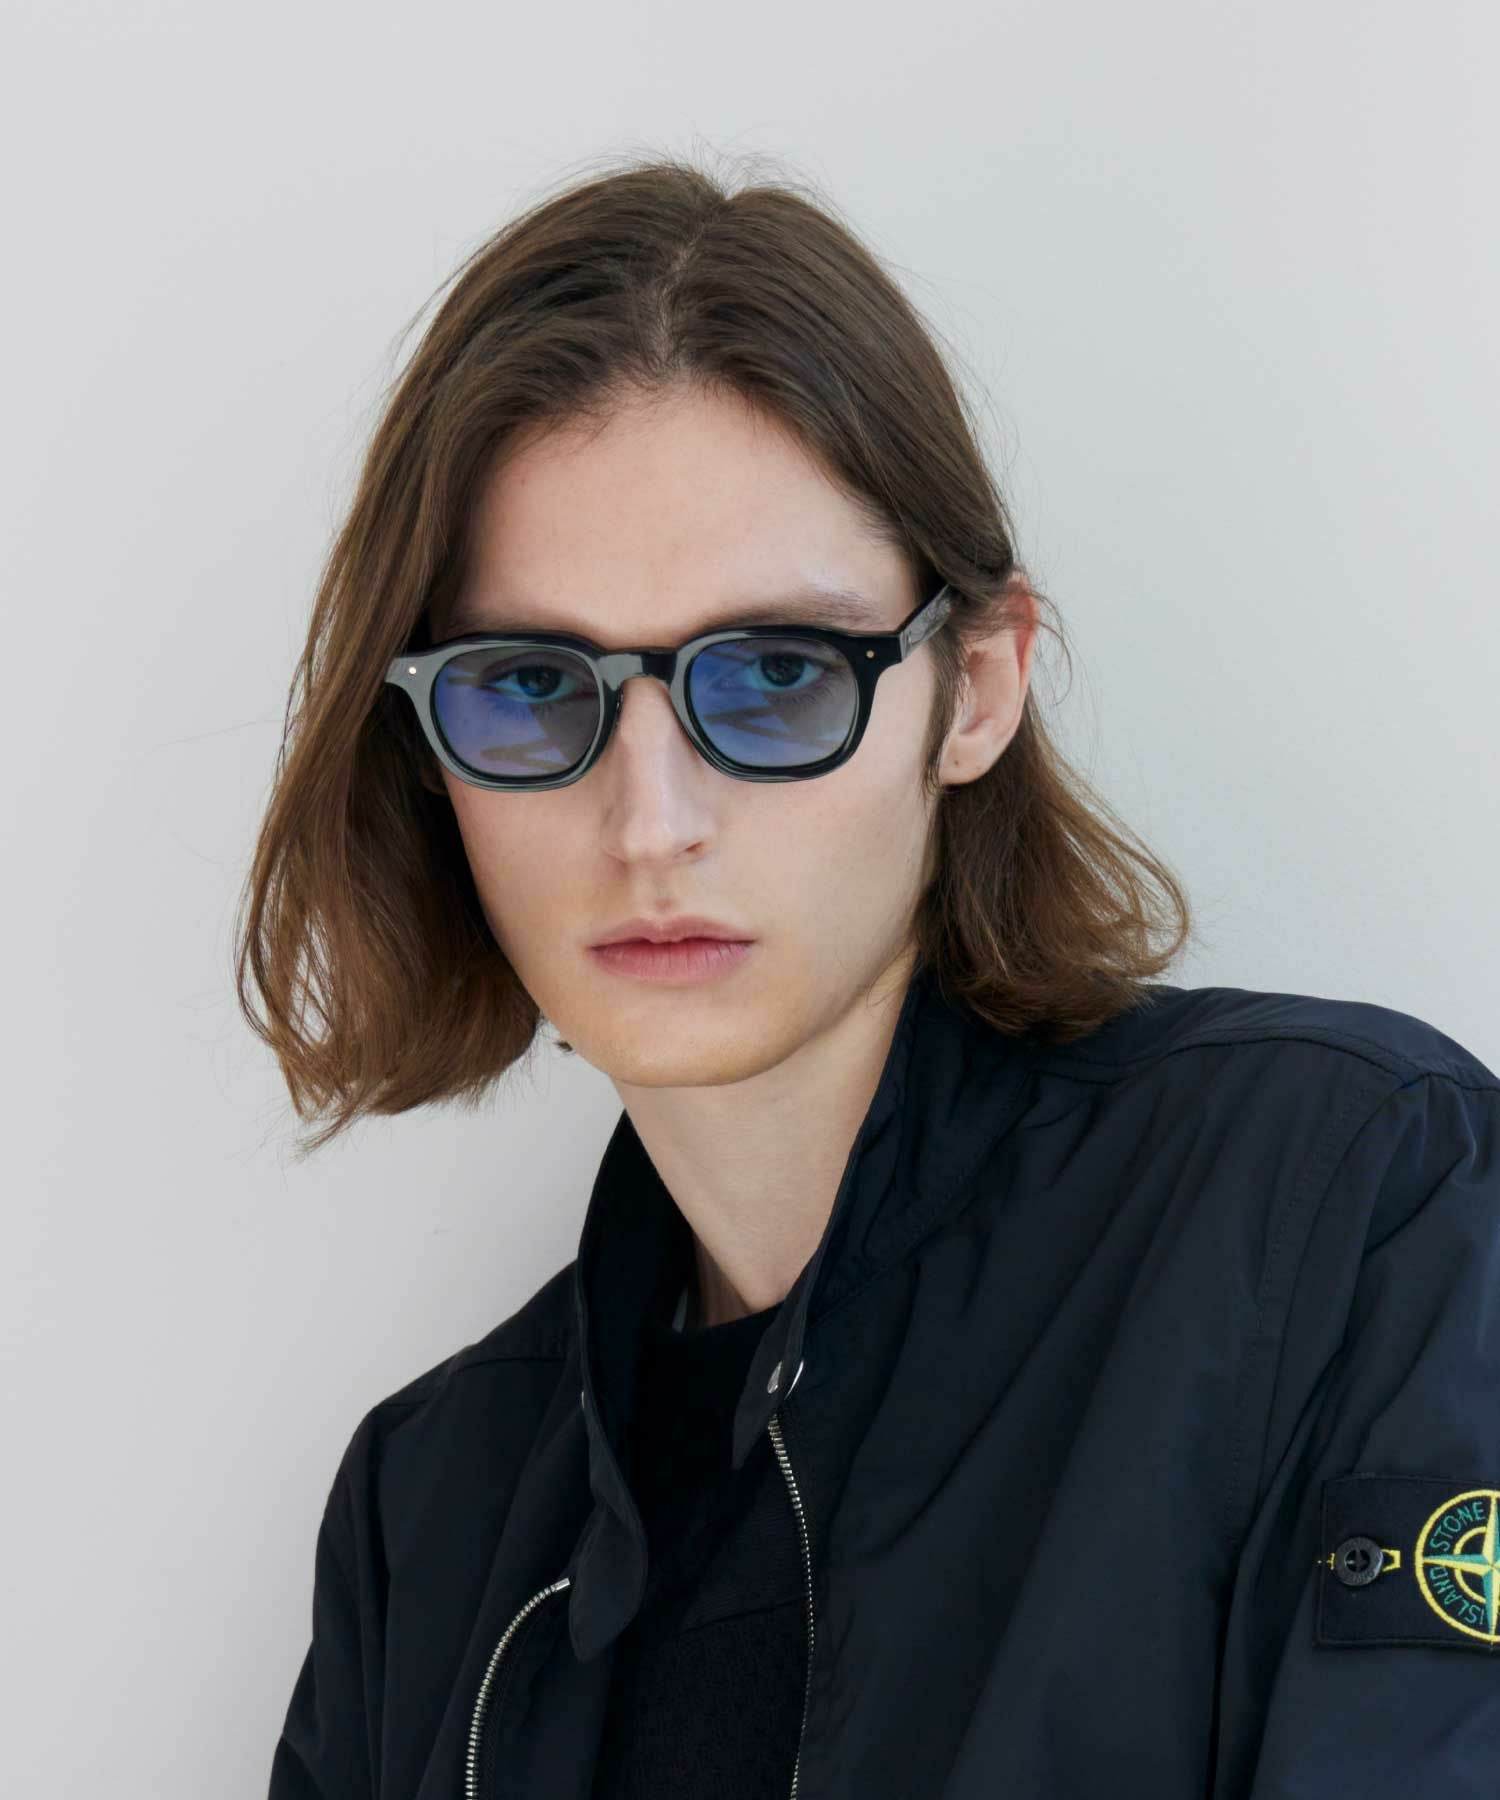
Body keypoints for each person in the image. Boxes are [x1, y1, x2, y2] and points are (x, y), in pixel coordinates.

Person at [241, 155, 1500, 1799]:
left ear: (975, 690)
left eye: (775, 673)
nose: (651, 822)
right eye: (532, 687)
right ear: (428, 753)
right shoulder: (431, 1514)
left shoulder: (1347, 1205)